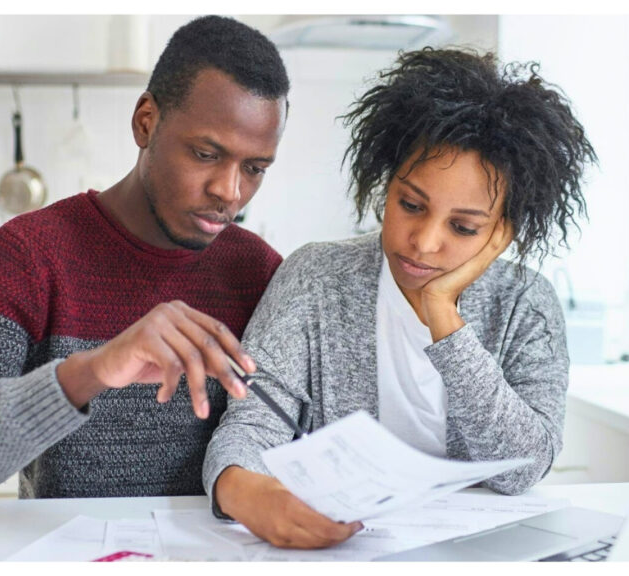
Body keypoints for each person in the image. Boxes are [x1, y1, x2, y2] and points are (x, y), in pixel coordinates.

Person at [0, 15, 290, 500]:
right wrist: (90, 372)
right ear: (146, 122)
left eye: (255, 168)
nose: (230, 190)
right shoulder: (29, 255)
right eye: (204, 154)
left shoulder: (261, 273)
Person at [203, 47, 597, 549]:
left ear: (503, 231)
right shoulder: (315, 277)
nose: (424, 241)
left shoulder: (526, 303)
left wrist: (443, 316)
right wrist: (240, 490)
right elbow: (253, 419)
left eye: (463, 226)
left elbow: (523, 468)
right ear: (385, 185)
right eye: (410, 205)